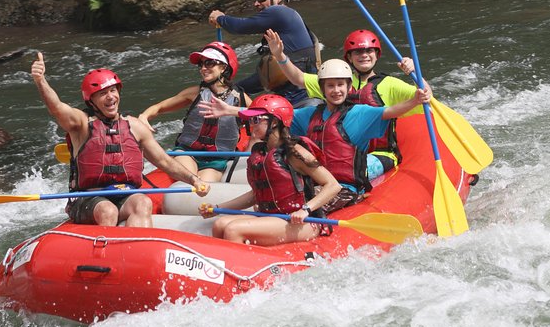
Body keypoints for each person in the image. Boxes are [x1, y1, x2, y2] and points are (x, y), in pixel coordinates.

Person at [200, 59, 431, 214]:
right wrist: (230, 110)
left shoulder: (360, 114)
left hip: (344, 188)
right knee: (278, 200)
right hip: (313, 183)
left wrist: (415, 100)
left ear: (349, 88)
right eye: (330, 86)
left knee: (292, 206)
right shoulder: (310, 114)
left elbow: (391, 111)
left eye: (341, 85)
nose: (336, 90)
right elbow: (271, 115)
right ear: (322, 89)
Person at [31, 52, 210, 227]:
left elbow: (163, 160)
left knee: (142, 203)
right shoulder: (81, 124)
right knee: (108, 211)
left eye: (113, 90)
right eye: (102, 93)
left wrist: (194, 180)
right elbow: (56, 107)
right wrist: (41, 81)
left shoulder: (135, 126)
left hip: (125, 194)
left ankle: (136, 251)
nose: (110, 97)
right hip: (87, 198)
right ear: (91, 101)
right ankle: (103, 254)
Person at [264, 28, 431, 180]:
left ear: (376, 54)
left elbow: (426, 97)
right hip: (338, 152)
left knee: (349, 170)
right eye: (358, 51)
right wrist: (280, 56)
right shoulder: (338, 80)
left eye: (369, 50)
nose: (364, 54)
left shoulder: (390, 84)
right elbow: (298, 78)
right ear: (349, 57)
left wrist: (414, 72)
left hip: (378, 153)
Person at [198, 94, 341, 245]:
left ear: (274, 123)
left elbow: (333, 185)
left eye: (256, 120)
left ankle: (240, 266)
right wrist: (217, 209)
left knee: (233, 230)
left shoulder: (295, 153)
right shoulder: (261, 152)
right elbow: (255, 195)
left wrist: (306, 209)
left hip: (302, 222)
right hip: (271, 217)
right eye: (251, 120)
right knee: (219, 224)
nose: (251, 125)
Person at [138, 42, 252, 182]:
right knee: (190, 181)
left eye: (209, 63)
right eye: (201, 64)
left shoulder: (239, 98)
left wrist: (232, 110)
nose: (203, 68)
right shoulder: (194, 93)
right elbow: (159, 107)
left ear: (223, 67)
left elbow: (263, 116)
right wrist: (144, 116)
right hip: (188, 152)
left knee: (204, 188)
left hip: (217, 159)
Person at [208, 0, 320, 108]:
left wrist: (220, 18)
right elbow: (269, 75)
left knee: (232, 91)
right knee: (234, 90)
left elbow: (240, 26)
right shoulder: (281, 26)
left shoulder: (279, 12)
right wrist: (234, 88)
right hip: (291, 97)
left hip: (303, 99)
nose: (256, 3)